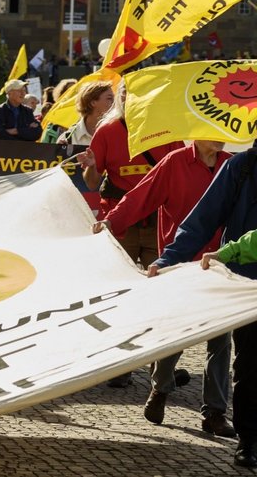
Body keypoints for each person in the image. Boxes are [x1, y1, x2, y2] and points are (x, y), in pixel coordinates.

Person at [94, 140, 233, 436]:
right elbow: (141, 196)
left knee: (220, 340)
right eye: (212, 130)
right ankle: (161, 388)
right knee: (175, 335)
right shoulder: (174, 162)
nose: (219, 136)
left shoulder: (232, 164)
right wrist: (111, 220)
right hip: (178, 262)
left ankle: (215, 412)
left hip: (220, 264)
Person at [156, 145, 257, 467]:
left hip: (239, 267)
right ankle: (250, 440)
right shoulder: (242, 167)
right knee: (251, 367)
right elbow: (202, 218)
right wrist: (168, 260)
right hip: (245, 287)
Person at [78, 82, 182, 265]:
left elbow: (179, 175)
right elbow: (91, 183)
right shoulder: (106, 131)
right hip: (119, 223)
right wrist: (92, 167)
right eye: (126, 91)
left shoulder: (167, 131)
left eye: (139, 90)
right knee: (119, 283)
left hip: (156, 222)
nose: (132, 96)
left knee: (159, 282)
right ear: (120, 96)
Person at [57, 81, 114, 146]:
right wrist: (60, 153)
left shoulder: (117, 133)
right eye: (109, 98)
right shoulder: (69, 138)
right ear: (93, 102)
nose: (114, 102)